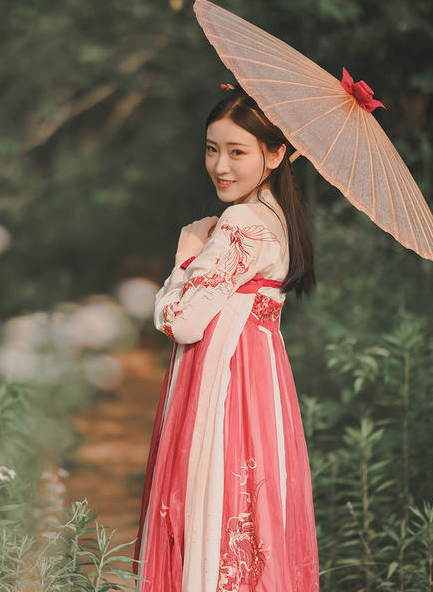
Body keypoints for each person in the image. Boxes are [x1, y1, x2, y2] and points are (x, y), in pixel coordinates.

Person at [133, 85, 320, 591]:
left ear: (276, 154)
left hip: (225, 384)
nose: (220, 166)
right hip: (261, 382)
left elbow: (180, 320)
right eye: (212, 149)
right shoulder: (278, 219)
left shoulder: (241, 222)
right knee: (251, 505)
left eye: (238, 152)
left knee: (212, 498)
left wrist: (185, 258)